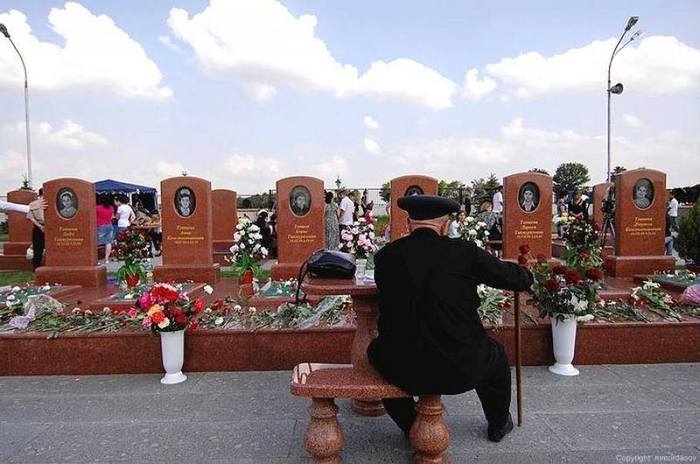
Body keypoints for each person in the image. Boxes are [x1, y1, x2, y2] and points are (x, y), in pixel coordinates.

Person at [368, 195, 533, 442]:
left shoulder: (385, 256)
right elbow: (517, 280)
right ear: (445, 226)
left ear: (408, 223)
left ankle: (412, 425)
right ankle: (498, 424)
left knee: (375, 353)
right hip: (461, 364)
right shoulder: (464, 253)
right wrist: (523, 272)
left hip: (403, 364)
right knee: (495, 355)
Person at [26, 189, 46, 270]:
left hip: (38, 227)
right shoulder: (50, 203)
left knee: (38, 248)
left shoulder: (32, 204)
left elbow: (31, 218)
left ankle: (36, 267)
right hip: (50, 227)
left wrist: (40, 226)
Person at [95, 193, 115, 264]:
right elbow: (112, 217)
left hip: (100, 226)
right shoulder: (111, 207)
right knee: (108, 242)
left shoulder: (97, 207)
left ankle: (96, 260)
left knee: (97, 243)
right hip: (109, 225)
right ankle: (106, 259)